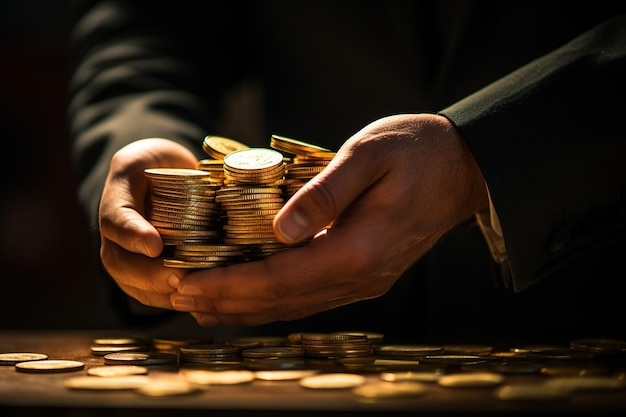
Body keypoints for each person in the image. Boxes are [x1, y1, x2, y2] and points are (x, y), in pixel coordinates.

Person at [66, 0, 626, 344]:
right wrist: (140, 151)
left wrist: (485, 154)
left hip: (592, 311)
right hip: (294, 349)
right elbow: (149, 25)